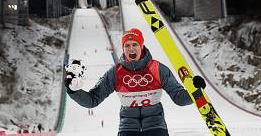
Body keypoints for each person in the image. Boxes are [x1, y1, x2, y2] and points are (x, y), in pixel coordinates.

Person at [65, 28, 206, 136]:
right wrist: (73, 90)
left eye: (135, 44)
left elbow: (179, 98)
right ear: (123, 48)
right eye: (127, 45)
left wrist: (196, 91)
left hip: (156, 127)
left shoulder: (157, 69)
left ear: (142, 46)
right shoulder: (115, 73)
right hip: (128, 128)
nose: (131, 48)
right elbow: (92, 100)